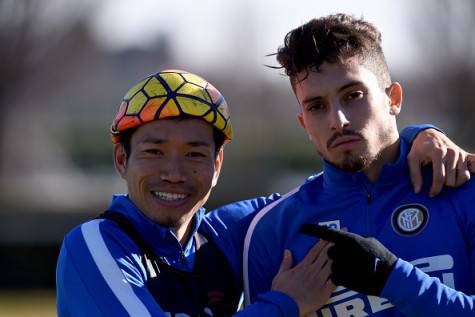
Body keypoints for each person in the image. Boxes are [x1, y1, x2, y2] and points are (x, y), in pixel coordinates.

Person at [56, 69, 471, 317]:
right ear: (121, 161)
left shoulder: (229, 235)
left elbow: (331, 191)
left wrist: (418, 137)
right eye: (154, 152)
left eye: (195, 154)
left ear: (217, 166)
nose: (174, 172)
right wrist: (285, 304)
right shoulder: (93, 246)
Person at [243, 14, 475, 317]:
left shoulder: (463, 188)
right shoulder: (271, 229)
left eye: (353, 95)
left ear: (393, 98)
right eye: (316, 107)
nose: (337, 120)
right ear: (303, 123)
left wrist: (394, 279)